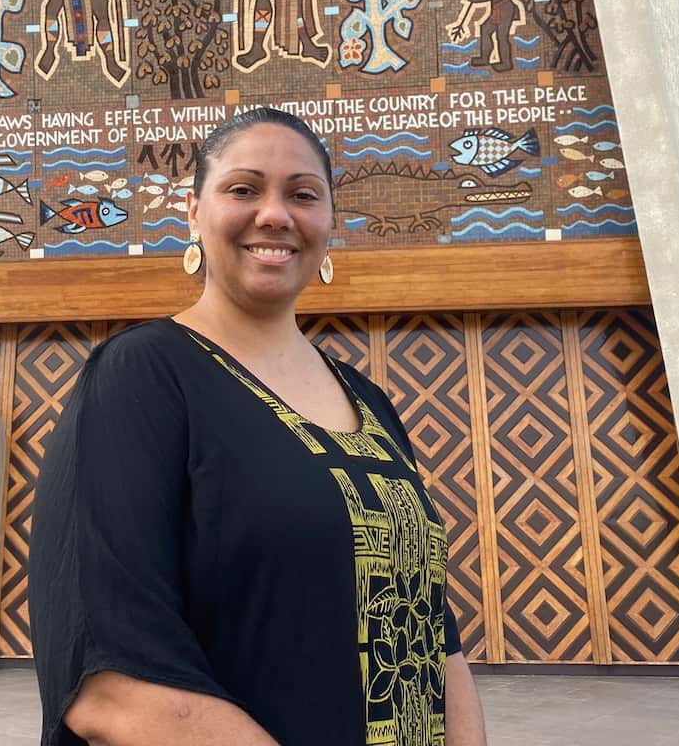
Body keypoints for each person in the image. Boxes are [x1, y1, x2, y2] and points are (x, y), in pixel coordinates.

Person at [29, 108, 488, 745]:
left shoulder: (369, 400)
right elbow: (109, 680)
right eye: (243, 189)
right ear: (194, 213)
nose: (275, 214)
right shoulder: (143, 377)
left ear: (330, 223)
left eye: (304, 195)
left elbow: (431, 627)